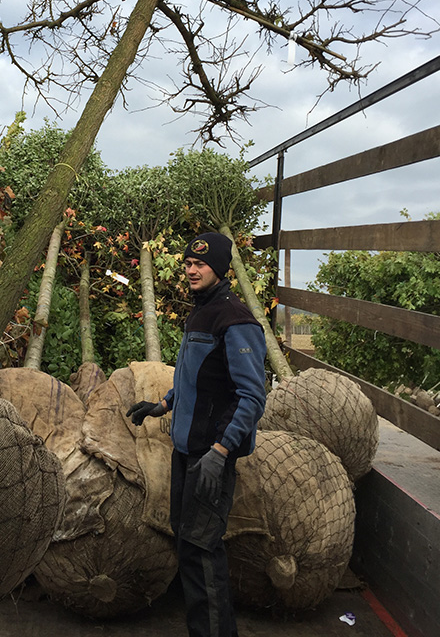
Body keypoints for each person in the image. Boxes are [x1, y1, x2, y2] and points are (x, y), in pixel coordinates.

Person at [127, 231, 266, 637]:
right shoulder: (200, 312)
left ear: (219, 268)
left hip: (210, 457)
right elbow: (195, 377)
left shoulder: (235, 319)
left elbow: (252, 396)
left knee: (203, 554)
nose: (191, 269)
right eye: (187, 263)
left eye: (199, 264)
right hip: (186, 453)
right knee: (189, 546)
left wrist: (221, 451)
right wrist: (164, 404)